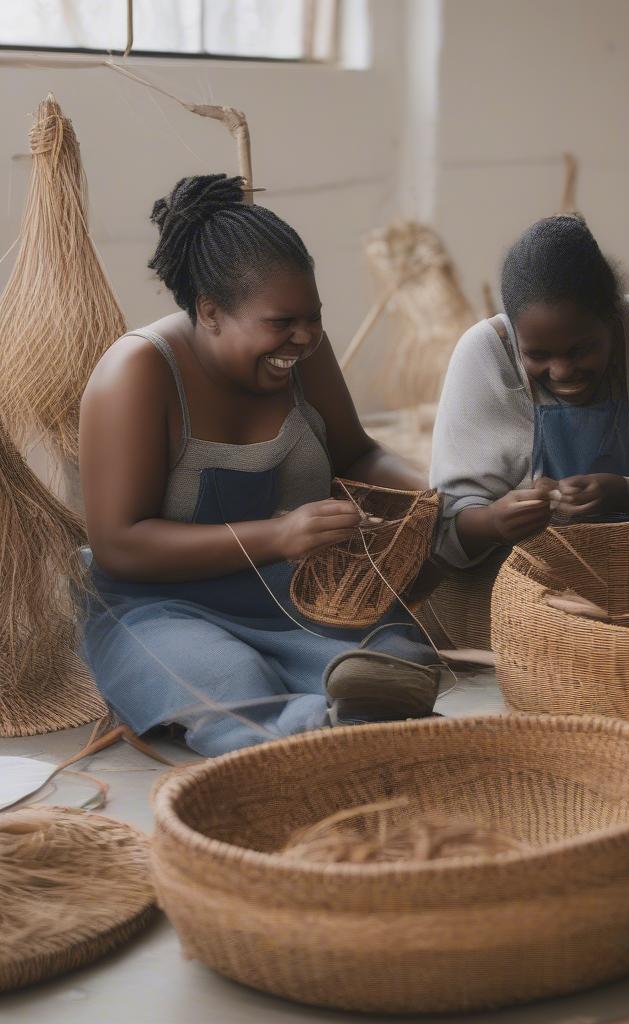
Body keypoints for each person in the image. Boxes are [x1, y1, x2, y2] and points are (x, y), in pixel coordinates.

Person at [79, 174, 441, 757]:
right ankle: (306, 742)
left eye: (313, 317)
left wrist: (434, 490)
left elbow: (358, 454)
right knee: (226, 680)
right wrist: (279, 534)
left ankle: (347, 722)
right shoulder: (138, 372)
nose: (303, 338)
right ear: (211, 310)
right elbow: (121, 544)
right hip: (158, 605)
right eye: (281, 323)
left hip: (290, 591)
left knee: (393, 660)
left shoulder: (302, 356)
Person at [430, 214, 629, 567]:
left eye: (581, 350)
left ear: (614, 321)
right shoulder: (486, 354)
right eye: (537, 355)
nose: (562, 372)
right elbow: (442, 532)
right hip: (525, 598)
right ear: (516, 335)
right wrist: (491, 524)